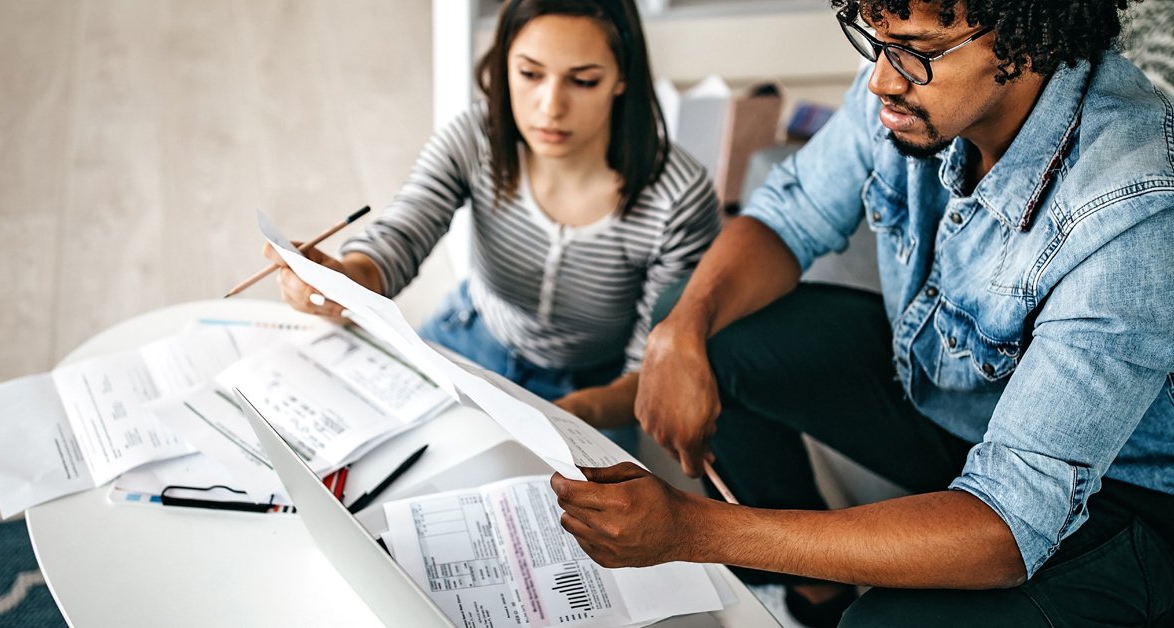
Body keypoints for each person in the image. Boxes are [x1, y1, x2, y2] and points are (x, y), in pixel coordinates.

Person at [551, 0, 1174, 625]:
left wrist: (693, 530)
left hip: (1116, 498)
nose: (880, 76)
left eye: (916, 52)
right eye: (873, 38)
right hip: (948, 398)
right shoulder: (908, 80)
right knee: (704, 317)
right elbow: (787, 214)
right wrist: (678, 332)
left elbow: (1008, 524)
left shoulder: (1132, 207)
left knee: (878, 625)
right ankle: (809, 601)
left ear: (1027, 42)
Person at [265, 0, 720, 452]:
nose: (550, 106)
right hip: (472, 337)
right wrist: (343, 280)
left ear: (622, 78)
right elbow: (401, 236)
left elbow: (654, 366)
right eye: (529, 73)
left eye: (583, 81)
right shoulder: (476, 137)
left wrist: (572, 414)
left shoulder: (677, 197)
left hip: (598, 389)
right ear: (503, 65)